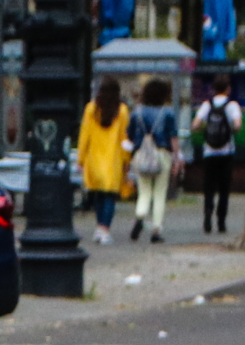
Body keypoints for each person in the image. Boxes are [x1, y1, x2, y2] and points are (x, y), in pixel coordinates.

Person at [126, 79, 180, 243]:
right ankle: (156, 230)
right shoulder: (168, 112)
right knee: (160, 193)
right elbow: (173, 138)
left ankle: (140, 216)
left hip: (141, 154)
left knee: (144, 191)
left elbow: (129, 135)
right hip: (162, 154)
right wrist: (177, 159)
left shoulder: (137, 112)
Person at [77, 78, 130, 245]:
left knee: (98, 195)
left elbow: (84, 135)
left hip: (94, 159)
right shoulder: (121, 110)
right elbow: (124, 137)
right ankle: (104, 228)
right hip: (113, 159)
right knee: (110, 196)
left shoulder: (91, 109)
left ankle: (99, 227)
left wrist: (81, 158)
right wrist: (126, 159)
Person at [193, 74, 240, 234]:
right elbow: (238, 126)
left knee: (209, 186)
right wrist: (229, 132)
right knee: (224, 188)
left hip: (209, 152)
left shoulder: (207, 105)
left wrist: (207, 131)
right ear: (228, 89)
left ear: (213, 89)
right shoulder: (232, 105)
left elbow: (195, 125)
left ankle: (207, 215)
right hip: (227, 151)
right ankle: (221, 221)